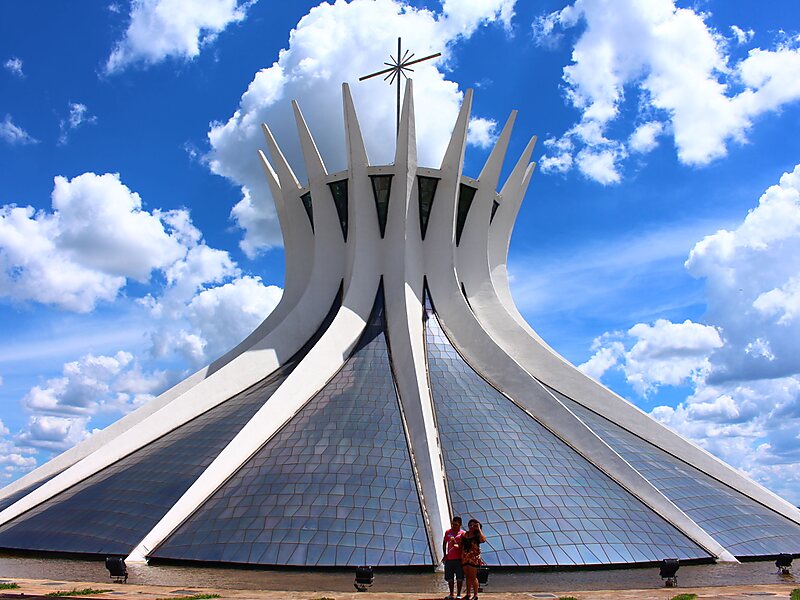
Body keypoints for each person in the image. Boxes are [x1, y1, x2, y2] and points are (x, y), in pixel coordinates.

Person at [461, 519, 486, 600]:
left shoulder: (477, 536)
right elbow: (461, 545)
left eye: (473, 525)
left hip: (473, 558)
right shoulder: (465, 534)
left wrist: (478, 529)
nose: (471, 527)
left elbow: (483, 540)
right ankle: (468, 594)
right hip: (465, 558)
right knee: (467, 576)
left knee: (473, 577)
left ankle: (475, 595)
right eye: (470, 525)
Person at [442, 516, 465, 600]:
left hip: (459, 558)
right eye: (453, 524)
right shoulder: (448, 532)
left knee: (459, 577)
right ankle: (451, 593)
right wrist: (445, 554)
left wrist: (456, 543)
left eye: (456, 525)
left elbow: (464, 546)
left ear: (460, 525)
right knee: (449, 577)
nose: (454, 526)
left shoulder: (463, 533)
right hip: (449, 558)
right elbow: (444, 543)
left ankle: (458, 594)